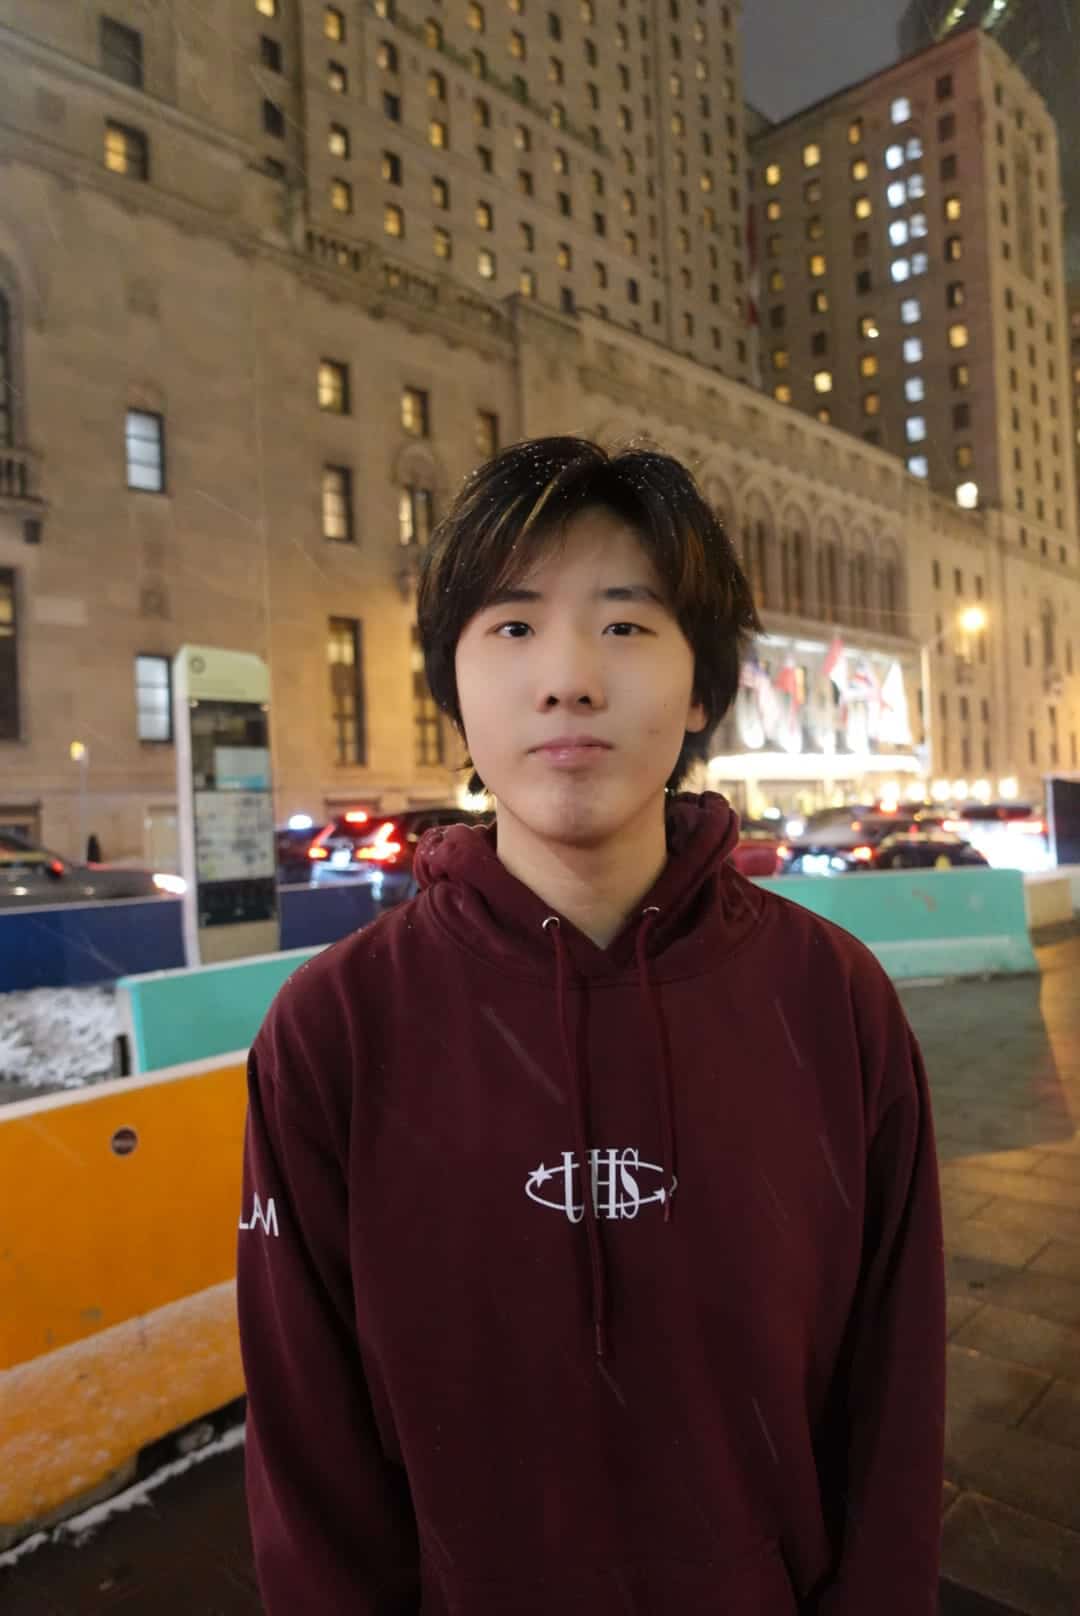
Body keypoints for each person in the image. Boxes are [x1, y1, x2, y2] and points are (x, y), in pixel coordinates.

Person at [237, 437, 946, 1615]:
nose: (567, 677)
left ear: (704, 685)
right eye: (512, 627)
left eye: (626, 624)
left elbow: (894, 1398)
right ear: (454, 687)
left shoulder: (832, 997)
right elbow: (309, 1463)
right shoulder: (337, 1029)